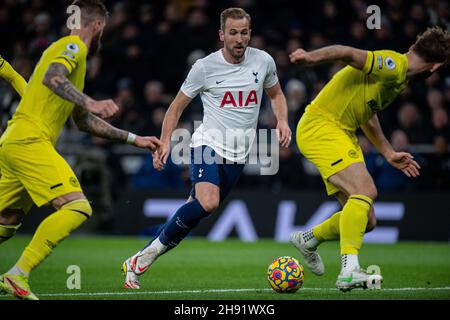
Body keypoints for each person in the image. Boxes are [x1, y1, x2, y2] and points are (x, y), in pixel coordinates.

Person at [0, 0, 160, 300]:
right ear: (98, 25)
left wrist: (133, 139)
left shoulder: (74, 57)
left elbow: (82, 121)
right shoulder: (74, 48)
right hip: (29, 141)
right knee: (77, 207)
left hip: (13, 141)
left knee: (6, 221)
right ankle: (17, 274)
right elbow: (53, 78)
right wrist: (90, 100)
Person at [122, 7, 291, 289]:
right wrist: (165, 141)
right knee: (209, 201)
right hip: (207, 144)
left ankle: (141, 259)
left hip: (238, 155)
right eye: (233, 33)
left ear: (251, 33)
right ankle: (143, 257)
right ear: (222, 34)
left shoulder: (263, 62)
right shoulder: (204, 67)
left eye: (245, 32)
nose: (239, 39)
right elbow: (176, 107)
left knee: (195, 212)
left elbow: (276, 94)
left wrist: (283, 121)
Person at [289, 26, 449, 292]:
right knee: (366, 191)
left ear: (413, 48)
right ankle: (349, 271)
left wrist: (387, 151)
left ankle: (308, 239)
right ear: (434, 68)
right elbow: (347, 52)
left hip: (341, 131)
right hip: (322, 126)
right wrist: (310, 58)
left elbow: (368, 112)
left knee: (368, 220)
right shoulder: (393, 65)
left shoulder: (399, 79)